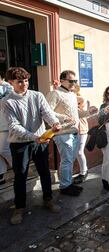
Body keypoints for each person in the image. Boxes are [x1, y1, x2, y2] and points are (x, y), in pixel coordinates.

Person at [3, 67, 62, 225]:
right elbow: (14, 126)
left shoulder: (37, 95)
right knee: (20, 175)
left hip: (41, 141)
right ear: (11, 82)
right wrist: (33, 137)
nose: (24, 84)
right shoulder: (7, 101)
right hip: (19, 143)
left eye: (26, 80)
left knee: (44, 171)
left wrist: (55, 123)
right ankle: (19, 207)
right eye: (20, 81)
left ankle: (48, 199)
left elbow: (47, 112)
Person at [47, 70, 83, 196]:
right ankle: (65, 186)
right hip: (63, 134)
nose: (74, 83)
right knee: (66, 160)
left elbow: (76, 115)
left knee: (70, 160)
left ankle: (68, 183)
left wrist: (90, 111)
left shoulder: (72, 95)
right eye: (71, 81)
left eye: (75, 81)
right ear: (62, 80)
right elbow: (47, 112)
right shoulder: (55, 93)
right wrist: (64, 118)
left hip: (74, 132)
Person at [73, 84, 89, 184]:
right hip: (71, 129)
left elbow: (82, 101)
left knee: (79, 151)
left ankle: (84, 172)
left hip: (81, 129)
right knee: (74, 152)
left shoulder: (82, 99)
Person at [0, 72, 12, 185]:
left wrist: (3, 82)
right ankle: (1, 175)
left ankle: (18, 166)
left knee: (3, 149)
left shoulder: (7, 89)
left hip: (4, 125)